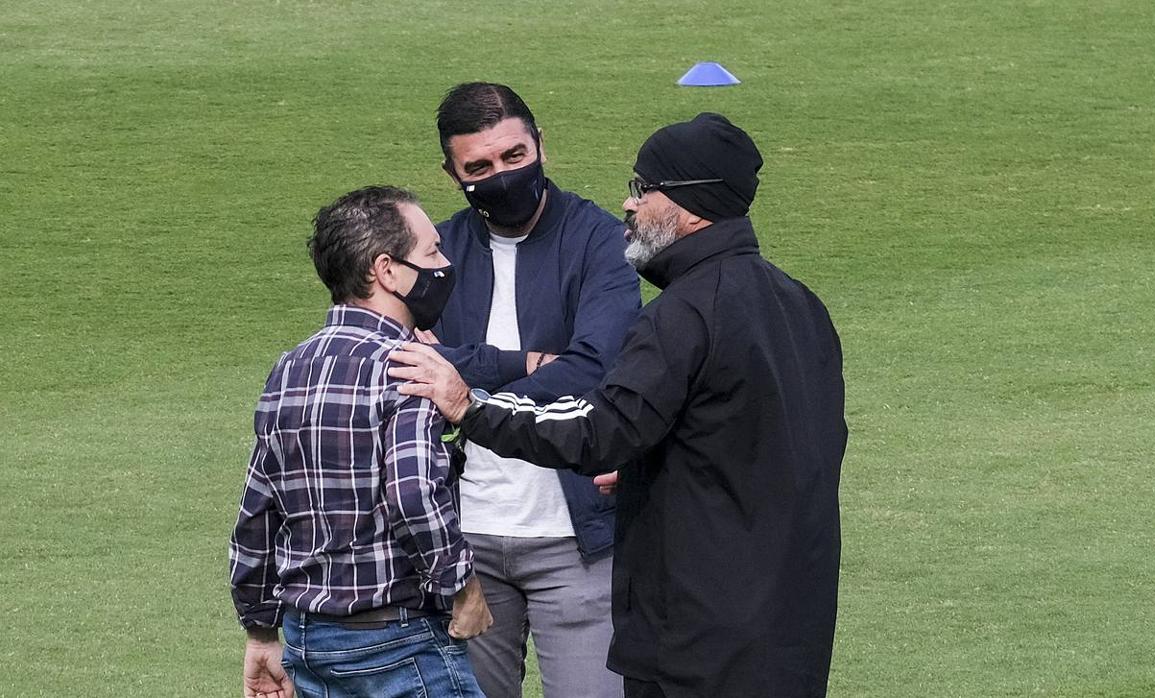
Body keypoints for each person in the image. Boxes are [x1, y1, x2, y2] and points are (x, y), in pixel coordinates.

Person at [389, 113, 847, 698]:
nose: (629, 207)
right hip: (788, 620)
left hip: (699, 629)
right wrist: (644, 465)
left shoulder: (683, 314)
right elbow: (756, 439)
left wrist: (470, 407)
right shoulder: (799, 303)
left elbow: (596, 430)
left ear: (690, 206)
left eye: (642, 189)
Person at [421, 82, 640, 698]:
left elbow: (596, 365)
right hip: (463, 543)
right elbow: (410, 368)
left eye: (514, 156)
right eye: (479, 168)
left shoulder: (602, 240)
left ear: (541, 145)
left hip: (578, 538)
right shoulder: (434, 253)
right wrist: (525, 361)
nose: (502, 175)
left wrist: (467, 391)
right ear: (453, 173)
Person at [228, 186, 492, 698]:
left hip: (309, 641)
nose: (444, 265)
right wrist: (463, 587)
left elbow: (257, 509)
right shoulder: (410, 364)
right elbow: (414, 495)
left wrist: (260, 630)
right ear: (386, 271)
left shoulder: (290, 367)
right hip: (399, 642)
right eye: (432, 252)